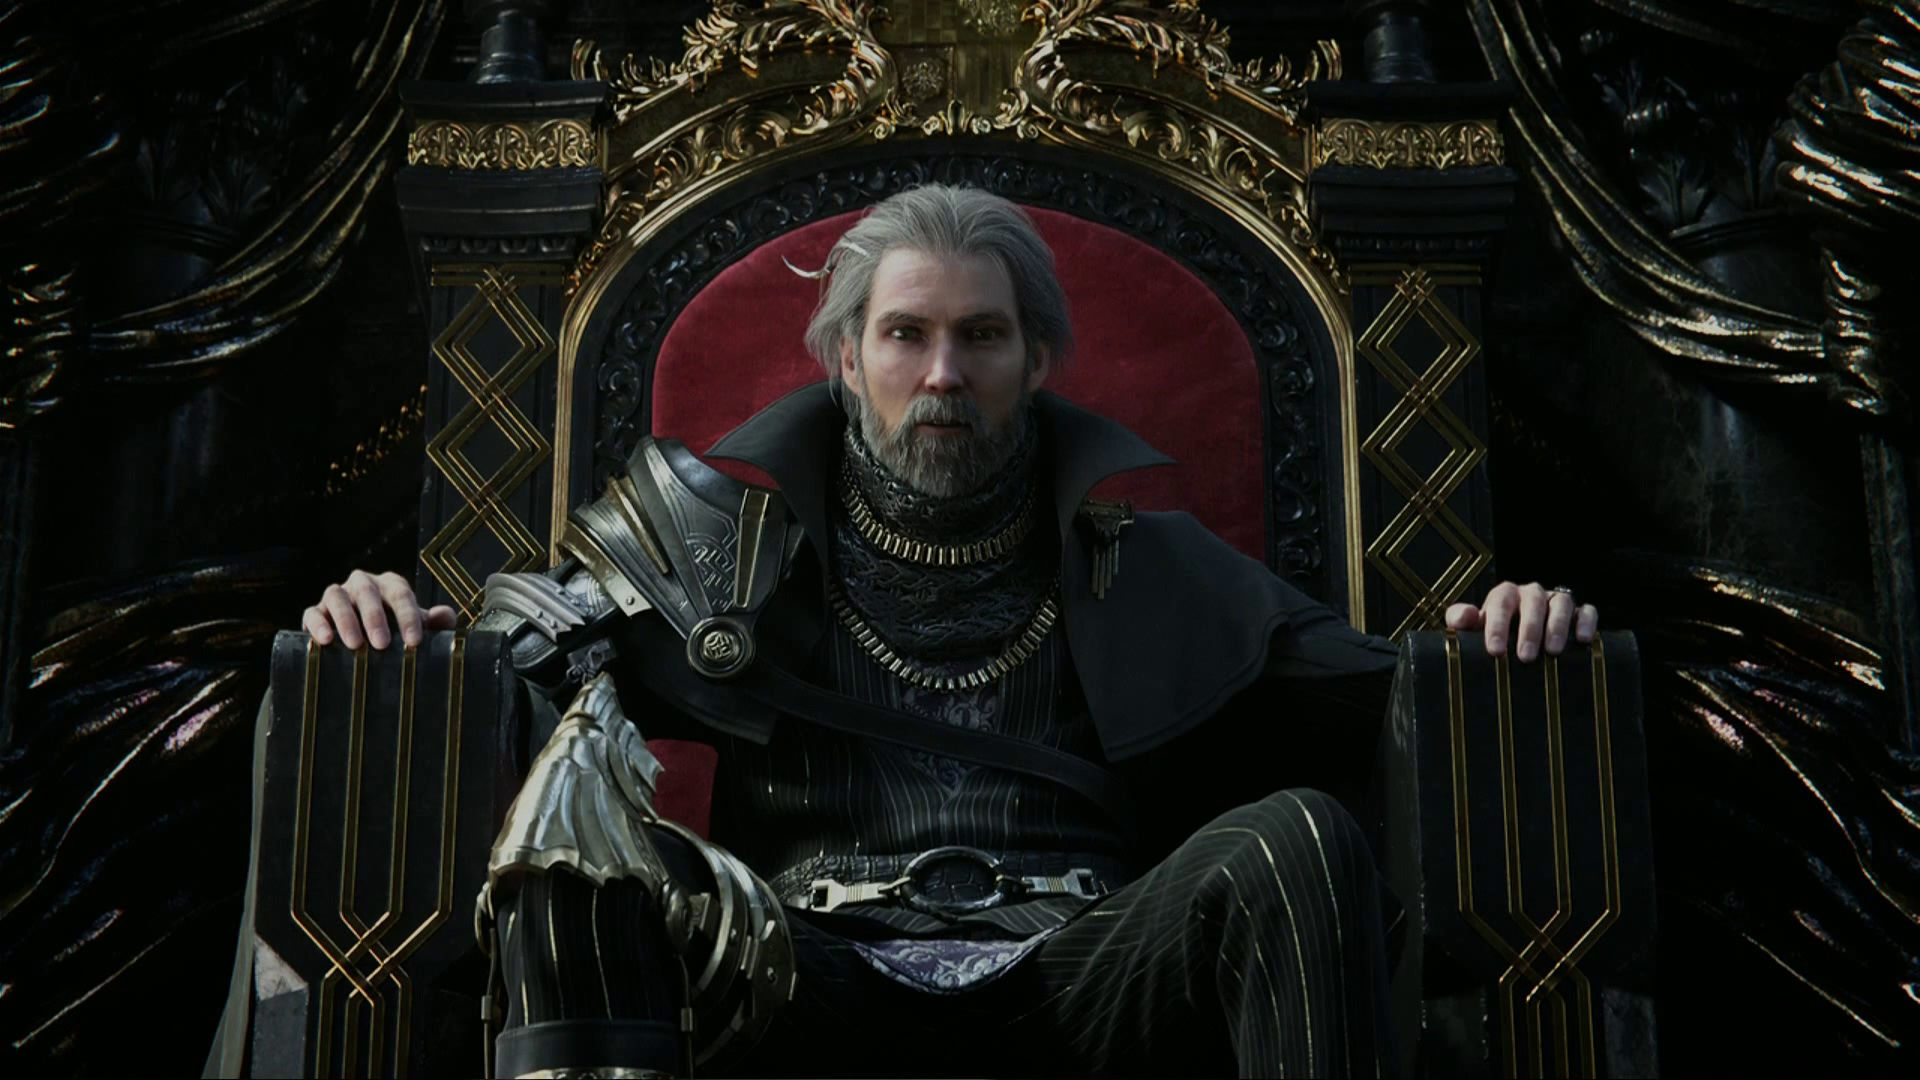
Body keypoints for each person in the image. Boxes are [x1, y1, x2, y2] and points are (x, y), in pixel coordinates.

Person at [301, 184, 1600, 1079]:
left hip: (1088, 976)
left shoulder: (1153, 565)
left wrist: (1495, 640)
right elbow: (521, 660)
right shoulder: (726, 556)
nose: (942, 373)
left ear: (1034, 361)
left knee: (1298, 839)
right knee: (590, 867)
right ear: (845, 359)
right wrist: (398, 634)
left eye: (981, 336)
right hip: (799, 973)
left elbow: (1390, 693)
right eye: (905, 334)